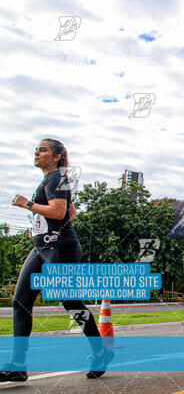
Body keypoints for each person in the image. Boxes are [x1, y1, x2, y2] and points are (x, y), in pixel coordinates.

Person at [1, 139, 113, 382]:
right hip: (41, 247)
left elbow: (58, 211)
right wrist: (37, 226)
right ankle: (18, 366)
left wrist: (27, 204)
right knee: (20, 303)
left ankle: (101, 351)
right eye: (36, 149)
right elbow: (60, 211)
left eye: (43, 149)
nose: (37, 152)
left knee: (71, 303)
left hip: (60, 249)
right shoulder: (50, 179)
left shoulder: (57, 177)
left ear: (56, 156)